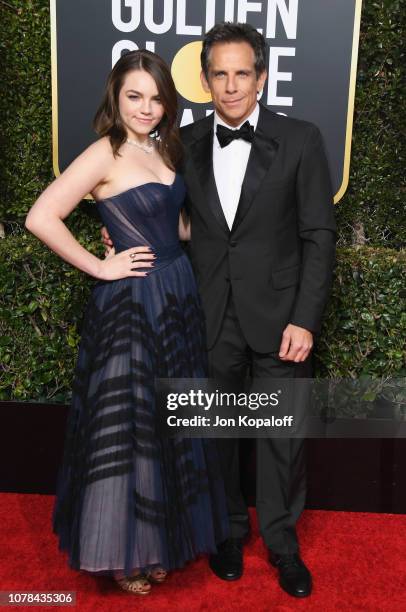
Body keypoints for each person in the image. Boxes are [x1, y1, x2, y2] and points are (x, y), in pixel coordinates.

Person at [25, 49, 229, 595]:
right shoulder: (103, 153)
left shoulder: (167, 148)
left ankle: (157, 540)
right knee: (131, 426)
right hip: (131, 301)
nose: (146, 107)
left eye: (156, 97)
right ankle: (125, 554)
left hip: (176, 294)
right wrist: (100, 263)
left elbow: (175, 226)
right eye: (134, 96)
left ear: (169, 101)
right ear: (116, 97)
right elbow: (41, 216)